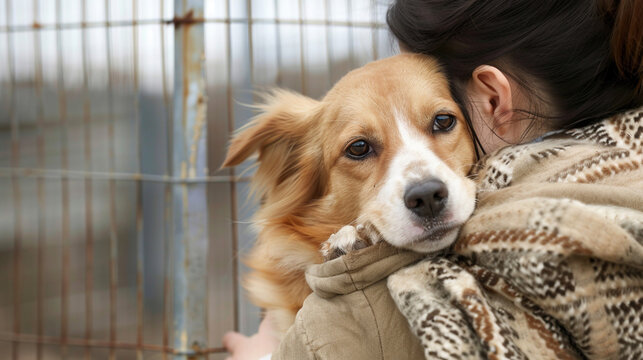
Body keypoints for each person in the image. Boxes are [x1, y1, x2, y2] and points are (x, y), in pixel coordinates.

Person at [224, 0, 643, 358]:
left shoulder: (371, 321)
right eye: (360, 149)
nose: (421, 184)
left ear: (493, 96)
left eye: (442, 122)